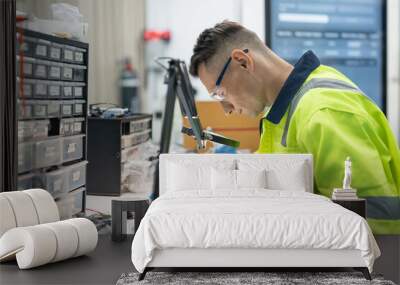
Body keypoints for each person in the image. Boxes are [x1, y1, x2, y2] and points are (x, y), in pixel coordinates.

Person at [189, 20, 400, 234]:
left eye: (220, 93)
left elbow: (372, 223)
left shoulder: (324, 111)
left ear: (243, 62)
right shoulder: (279, 111)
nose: (225, 109)